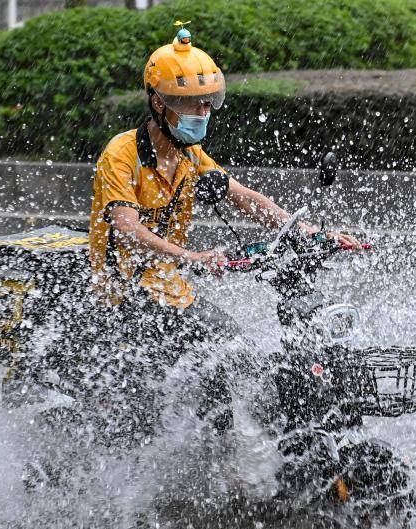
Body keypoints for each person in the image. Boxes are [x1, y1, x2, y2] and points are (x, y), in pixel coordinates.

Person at [89, 24, 359, 358]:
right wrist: (192, 257)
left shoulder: (188, 152)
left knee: (236, 352)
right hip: (123, 294)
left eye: (208, 104)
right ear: (160, 104)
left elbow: (243, 197)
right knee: (212, 363)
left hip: (170, 287)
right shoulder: (122, 154)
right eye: (192, 104)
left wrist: (307, 232)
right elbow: (127, 230)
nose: (203, 114)